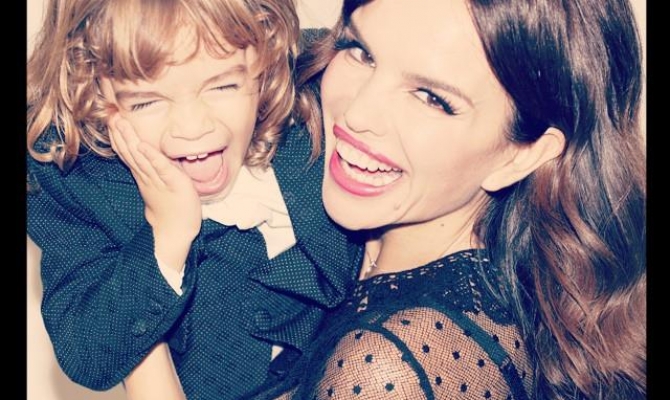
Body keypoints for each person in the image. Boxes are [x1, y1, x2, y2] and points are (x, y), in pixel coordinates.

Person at [247, 0, 647, 398]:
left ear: (521, 156)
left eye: (431, 97)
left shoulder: (388, 370)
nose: (357, 113)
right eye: (362, 52)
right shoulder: (506, 275)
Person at [26, 0, 362, 399]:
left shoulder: (322, 89)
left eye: (222, 86)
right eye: (146, 101)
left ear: (266, 57)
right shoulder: (75, 180)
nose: (192, 127)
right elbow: (88, 356)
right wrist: (166, 236)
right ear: (92, 88)